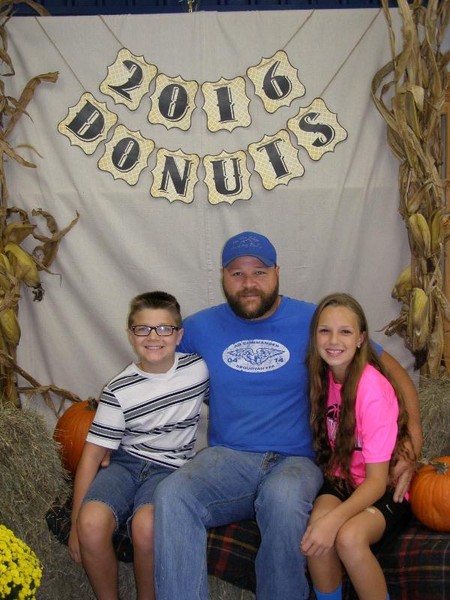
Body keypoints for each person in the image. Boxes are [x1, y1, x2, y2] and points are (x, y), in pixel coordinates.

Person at [153, 231, 421, 600]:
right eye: (237, 273)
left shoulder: (316, 322)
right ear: (223, 277)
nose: (249, 283)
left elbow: (392, 372)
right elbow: (153, 363)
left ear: (277, 272)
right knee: (172, 493)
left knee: (283, 499)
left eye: (259, 272)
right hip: (229, 458)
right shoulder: (199, 327)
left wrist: (411, 444)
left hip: (298, 461)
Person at [68, 291, 209, 600]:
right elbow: (91, 457)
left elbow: (232, 398)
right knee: (91, 524)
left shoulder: (198, 369)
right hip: (126, 463)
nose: (153, 337)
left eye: (164, 328)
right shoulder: (118, 389)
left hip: (170, 470)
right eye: (143, 328)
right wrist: (74, 523)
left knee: (147, 527)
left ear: (179, 334)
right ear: (131, 335)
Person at [300, 293, 413, 600]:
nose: (333, 340)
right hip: (343, 479)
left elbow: (377, 482)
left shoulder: (371, 389)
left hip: (385, 487)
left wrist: (335, 521)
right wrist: (325, 523)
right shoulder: (322, 377)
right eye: (325, 331)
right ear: (314, 336)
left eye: (345, 332)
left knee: (348, 538)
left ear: (361, 339)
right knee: (315, 534)